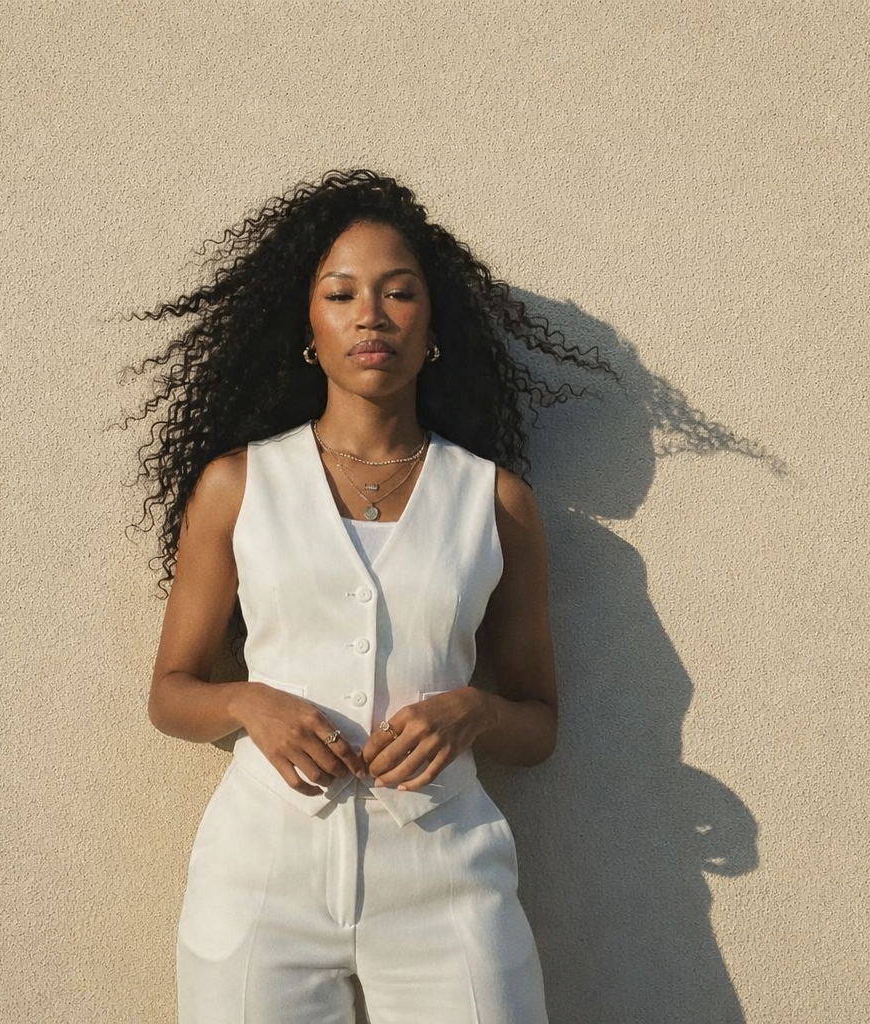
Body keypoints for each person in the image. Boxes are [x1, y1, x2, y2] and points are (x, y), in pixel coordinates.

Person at [133, 169, 610, 1023]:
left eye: (399, 292)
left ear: (433, 327)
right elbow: (171, 693)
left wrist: (472, 711)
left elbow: (538, 724)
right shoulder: (237, 485)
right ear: (308, 329)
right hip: (261, 877)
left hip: (446, 877)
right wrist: (247, 702)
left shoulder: (495, 501)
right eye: (341, 293)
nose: (371, 315)